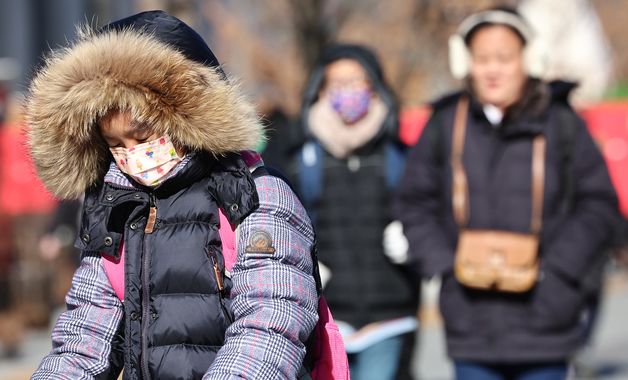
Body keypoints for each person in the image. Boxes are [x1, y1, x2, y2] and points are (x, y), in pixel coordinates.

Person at [26, 11, 319, 379]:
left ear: (183, 115)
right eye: (116, 144)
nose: (133, 153)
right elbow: (85, 337)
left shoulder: (253, 194)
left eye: (143, 135)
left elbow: (272, 319)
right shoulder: (115, 208)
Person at [394, 6, 620, 380]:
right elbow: (414, 201)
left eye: (503, 58)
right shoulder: (446, 122)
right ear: (465, 62)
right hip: (470, 319)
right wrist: (446, 266)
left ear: (529, 59)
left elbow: (598, 204)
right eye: (482, 59)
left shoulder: (562, 122)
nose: (492, 69)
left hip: (546, 317)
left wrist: (559, 269)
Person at [288, 43, 419, 380]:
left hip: (390, 313)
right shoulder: (300, 160)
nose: (348, 93)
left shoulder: (400, 157)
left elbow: (431, 216)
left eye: (357, 82)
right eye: (338, 84)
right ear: (320, 88)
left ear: (375, 86)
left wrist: (413, 240)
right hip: (326, 316)